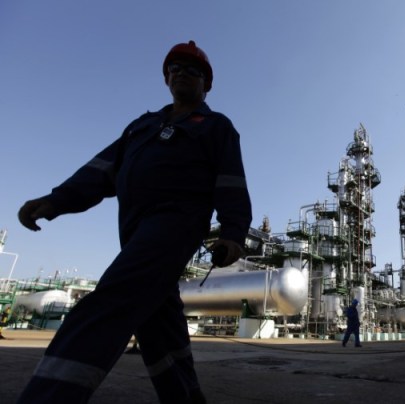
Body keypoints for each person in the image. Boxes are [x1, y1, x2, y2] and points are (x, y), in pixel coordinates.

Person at [16, 40, 252, 404]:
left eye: (194, 70)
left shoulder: (215, 126)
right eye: (175, 68)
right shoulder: (141, 126)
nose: (182, 73)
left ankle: (48, 396)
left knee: (110, 302)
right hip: (135, 231)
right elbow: (99, 171)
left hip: (177, 226)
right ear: (165, 78)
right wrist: (56, 200)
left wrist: (234, 232)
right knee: (159, 325)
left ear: (207, 84)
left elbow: (231, 183)